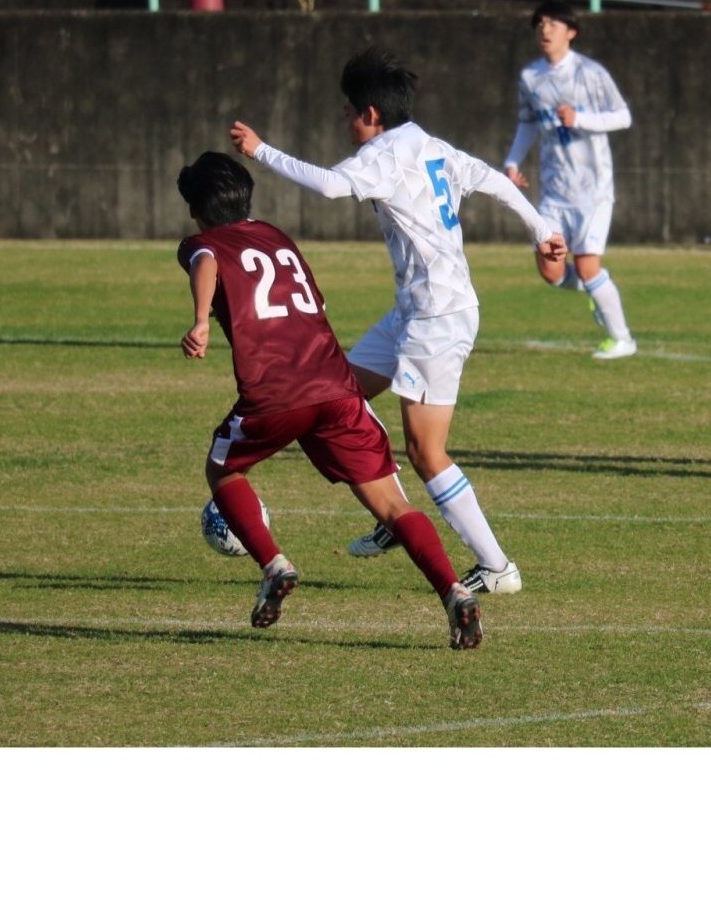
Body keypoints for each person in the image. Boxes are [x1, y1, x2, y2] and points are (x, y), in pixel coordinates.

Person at [230, 47, 567, 596]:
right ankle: (394, 514)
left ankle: (497, 566)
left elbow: (330, 186)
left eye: (348, 110)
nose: (345, 119)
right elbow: (495, 181)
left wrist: (261, 150)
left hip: (436, 316)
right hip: (414, 311)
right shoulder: (431, 145)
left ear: (370, 113)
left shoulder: (383, 155)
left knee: (427, 452)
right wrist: (541, 230)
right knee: (338, 394)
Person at [176, 152, 483, 649]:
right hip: (336, 384)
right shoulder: (277, 237)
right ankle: (453, 591)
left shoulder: (201, 243)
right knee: (391, 505)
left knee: (223, 471)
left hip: (275, 392)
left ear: (196, 212)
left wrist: (200, 320)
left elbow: (207, 260)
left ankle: (273, 563)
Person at [503, 0, 637, 359]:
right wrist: (513, 162)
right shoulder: (531, 77)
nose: (545, 30)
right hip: (554, 189)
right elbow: (528, 123)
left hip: (593, 189)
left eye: (553, 24)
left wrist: (581, 119)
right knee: (551, 271)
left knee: (587, 266)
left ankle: (622, 339)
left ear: (571, 32)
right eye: (540, 24)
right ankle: (600, 290)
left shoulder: (590, 73)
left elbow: (623, 116)